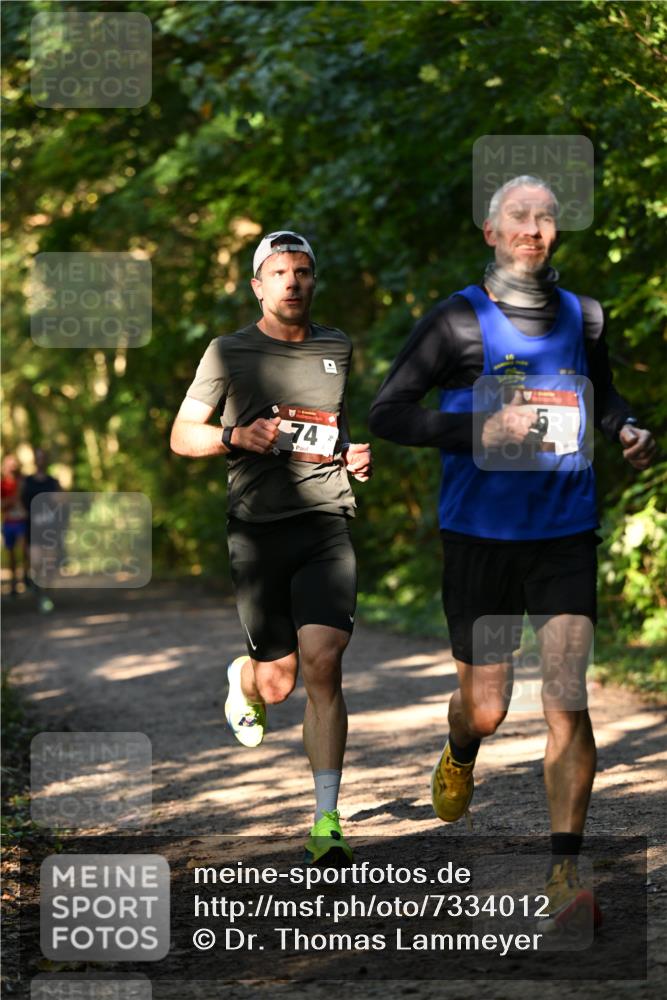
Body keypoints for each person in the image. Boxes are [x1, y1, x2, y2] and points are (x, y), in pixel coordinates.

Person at [369, 175, 655, 929]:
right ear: (491, 233)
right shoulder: (455, 321)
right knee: (488, 708)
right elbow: (387, 412)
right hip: (478, 539)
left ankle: (565, 872)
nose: (533, 229)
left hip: (563, 532)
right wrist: (475, 432)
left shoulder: (583, 315)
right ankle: (460, 746)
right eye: (517, 219)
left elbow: (603, 392)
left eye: (546, 218)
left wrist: (623, 428)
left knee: (567, 697)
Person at [171, 230, 372, 865]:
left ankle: (326, 819)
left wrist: (352, 456)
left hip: (325, 523)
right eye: (280, 273)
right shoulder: (228, 352)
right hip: (258, 531)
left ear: (314, 281)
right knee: (281, 682)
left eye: (303, 272)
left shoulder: (337, 346)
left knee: (324, 663)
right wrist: (235, 436)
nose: (293, 282)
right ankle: (246, 679)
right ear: (259, 286)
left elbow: (325, 434)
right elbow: (182, 436)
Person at [21, 447, 62, 613]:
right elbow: (19, 501)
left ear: (46, 460)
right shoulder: (27, 481)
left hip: (50, 527)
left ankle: (46, 593)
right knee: (37, 562)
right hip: (33, 526)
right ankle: (39, 590)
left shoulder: (53, 481)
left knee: (50, 564)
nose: (40, 460)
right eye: (37, 457)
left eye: (42, 457)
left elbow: (63, 501)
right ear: (34, 460)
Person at [1, 454, 29, 597]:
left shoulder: (23, 481)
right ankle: (13, 583)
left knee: (24, 550)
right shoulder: (3, 483)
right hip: (8, 522)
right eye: (9, 464)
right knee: (11, 553)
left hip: (21, 522)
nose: (12, 467)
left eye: (14, 464)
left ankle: (25, 576)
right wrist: (11, 501)